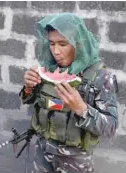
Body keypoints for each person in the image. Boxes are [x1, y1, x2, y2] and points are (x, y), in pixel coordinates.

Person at [19, 13, 118, 173]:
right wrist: (29, 88)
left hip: (75, 160)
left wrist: (82, 109)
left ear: (78, 43)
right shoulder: (50, 67)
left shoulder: (101, 76)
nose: (55, 51)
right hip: (43, 152)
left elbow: (111, 127)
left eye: (63, 44)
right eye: (51, 43)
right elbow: (37, 101)